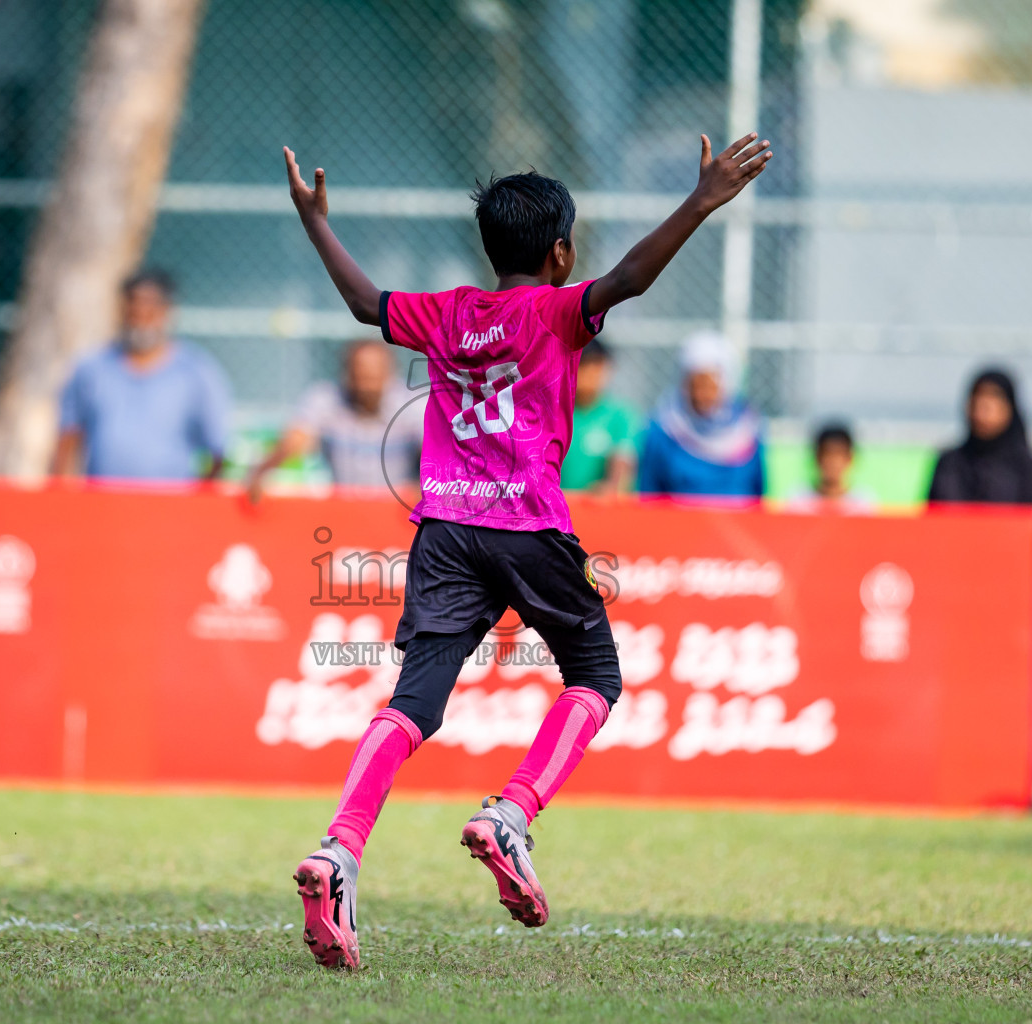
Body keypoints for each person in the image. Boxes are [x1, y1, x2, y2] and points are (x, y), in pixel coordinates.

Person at [282, 126, 771, 969]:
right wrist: (700, 200)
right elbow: (629, 280)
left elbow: (367, 305)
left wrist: (316, 221)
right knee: (596, 678)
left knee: (413, 704)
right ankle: (510, 814)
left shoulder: (446, 314)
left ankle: (338, 849)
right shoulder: (555, 310)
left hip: (444, 533)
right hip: (530, 530)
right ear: (559, 251)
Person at [53, 269, 233, 482]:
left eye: (150, 310)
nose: (141, 318)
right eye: (133, 309)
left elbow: (218, 451)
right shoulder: (92, 368)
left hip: (170, 505)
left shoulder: (195, 371)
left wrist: (198, 506)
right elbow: (69, 438)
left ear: (167, 311)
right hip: (102, 503)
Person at [245, 339, 422, 500]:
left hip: (398, 513)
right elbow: (297, 439)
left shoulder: (413, 406)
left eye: (374, 378)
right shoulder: (327, 398)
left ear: (390, 374)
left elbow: (435, 452)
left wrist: (423, 489)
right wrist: (263, 470)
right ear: (347, 375)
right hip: (343, 509)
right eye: (361, 377)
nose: (368, 386)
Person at [636, 332, 765, 499]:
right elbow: (649, 494)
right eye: (694, 385)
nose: (701, 395)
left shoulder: (748, 429)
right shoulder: (664, 429)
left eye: (710, 386)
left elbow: (758, 494)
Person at [926, 368, 1032, 506]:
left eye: (994, 398)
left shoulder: (1022, 465)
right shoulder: (949, 463)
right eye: (978, 397)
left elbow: (1025, 520)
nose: (983, 407)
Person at [559, 338, 639, 494]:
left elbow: (623, 464)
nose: (591, 373)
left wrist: (612, 487)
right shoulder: (553, 413)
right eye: (584, 365)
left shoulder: (620, 416)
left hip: (599, 511)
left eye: (597, 365)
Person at [785, 422, 876, 513]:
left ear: (849, 458)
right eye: (827, 454)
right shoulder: (799, 501)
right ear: (817, 457)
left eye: (839, 455)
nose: (833, 462)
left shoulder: (863, 504)